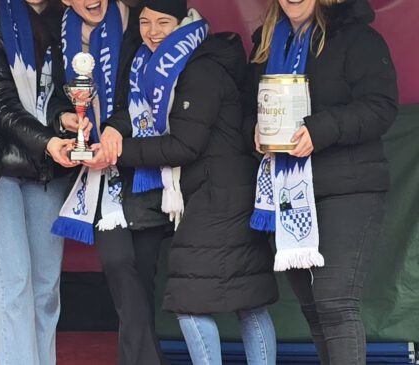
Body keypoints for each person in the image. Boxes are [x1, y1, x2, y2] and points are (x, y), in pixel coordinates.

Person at [96, 1, 279, 364]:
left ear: (182, 24)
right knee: (247, 301)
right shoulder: (155, 67)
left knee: (192, 304)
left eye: (163, 22)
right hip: (214, 192)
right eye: (145, 22)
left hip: (219, 194)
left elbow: (184, 145)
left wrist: (118, 152)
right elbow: (140, 112)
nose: (152, 31)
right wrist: (116, 127)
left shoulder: (200, 67)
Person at [248, 0, 398, 363]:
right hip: (288, 190)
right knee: (315, 310)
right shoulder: (266, 44)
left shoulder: (359, 38)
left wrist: (320, 129)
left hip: (348, 187)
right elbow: (245, 109)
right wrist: (255, 131)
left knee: (336, 305)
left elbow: (381, 106)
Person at [48, 0, 168, 364]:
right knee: (118, 264)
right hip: (97, 172)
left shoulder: (138, 22)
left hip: (142, 164)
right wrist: (64, 118)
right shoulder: (57, 31)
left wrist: (117, 125)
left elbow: (152, 92)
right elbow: (51, 95)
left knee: (142, 278)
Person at [0, 0, 78, 364]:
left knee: (46, 289)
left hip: (51, 169)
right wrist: (47, 141)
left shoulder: (68, 22)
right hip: (3, 167)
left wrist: (66, 120)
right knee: (13, 284)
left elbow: (65, 94)